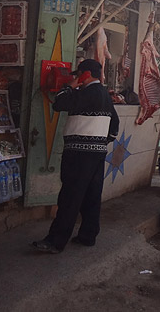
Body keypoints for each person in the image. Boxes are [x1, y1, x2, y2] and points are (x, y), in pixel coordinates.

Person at [32, 59, 120, 253]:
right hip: (96, 154)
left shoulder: (88, 93)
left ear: (86, 74)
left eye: (78, 74)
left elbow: (59, 103)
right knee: (91, 196)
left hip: (79, 154)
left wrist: (68, 86)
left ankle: (55, 241)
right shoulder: (104, 94)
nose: (76, 78)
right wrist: (101, 142)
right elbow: (115, 125)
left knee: (70, 196)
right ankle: (88, 235)